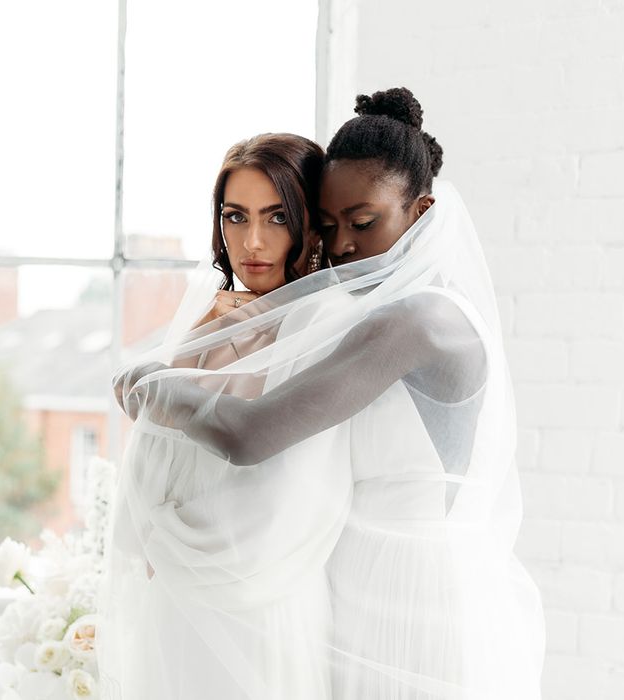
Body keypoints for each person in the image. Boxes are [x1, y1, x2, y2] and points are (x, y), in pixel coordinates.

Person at [108, 87, 546, 699]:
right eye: (330, 224)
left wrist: (147, 385)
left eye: (364, 223)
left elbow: (249, 434)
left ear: (420, 212)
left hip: (411, 596)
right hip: (349, 589)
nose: (342, 246)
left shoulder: (416, 322)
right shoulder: (366, 315)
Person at [97, 132, 352, 700]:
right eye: (235, 217)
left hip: (264, 605)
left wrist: (165, 536)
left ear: (310, 223)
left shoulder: (326, 324)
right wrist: (199, 339)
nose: (252, 241)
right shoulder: (214, 320)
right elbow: (147, 460)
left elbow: (291, 495)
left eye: (277, 216)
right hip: (180, 609)